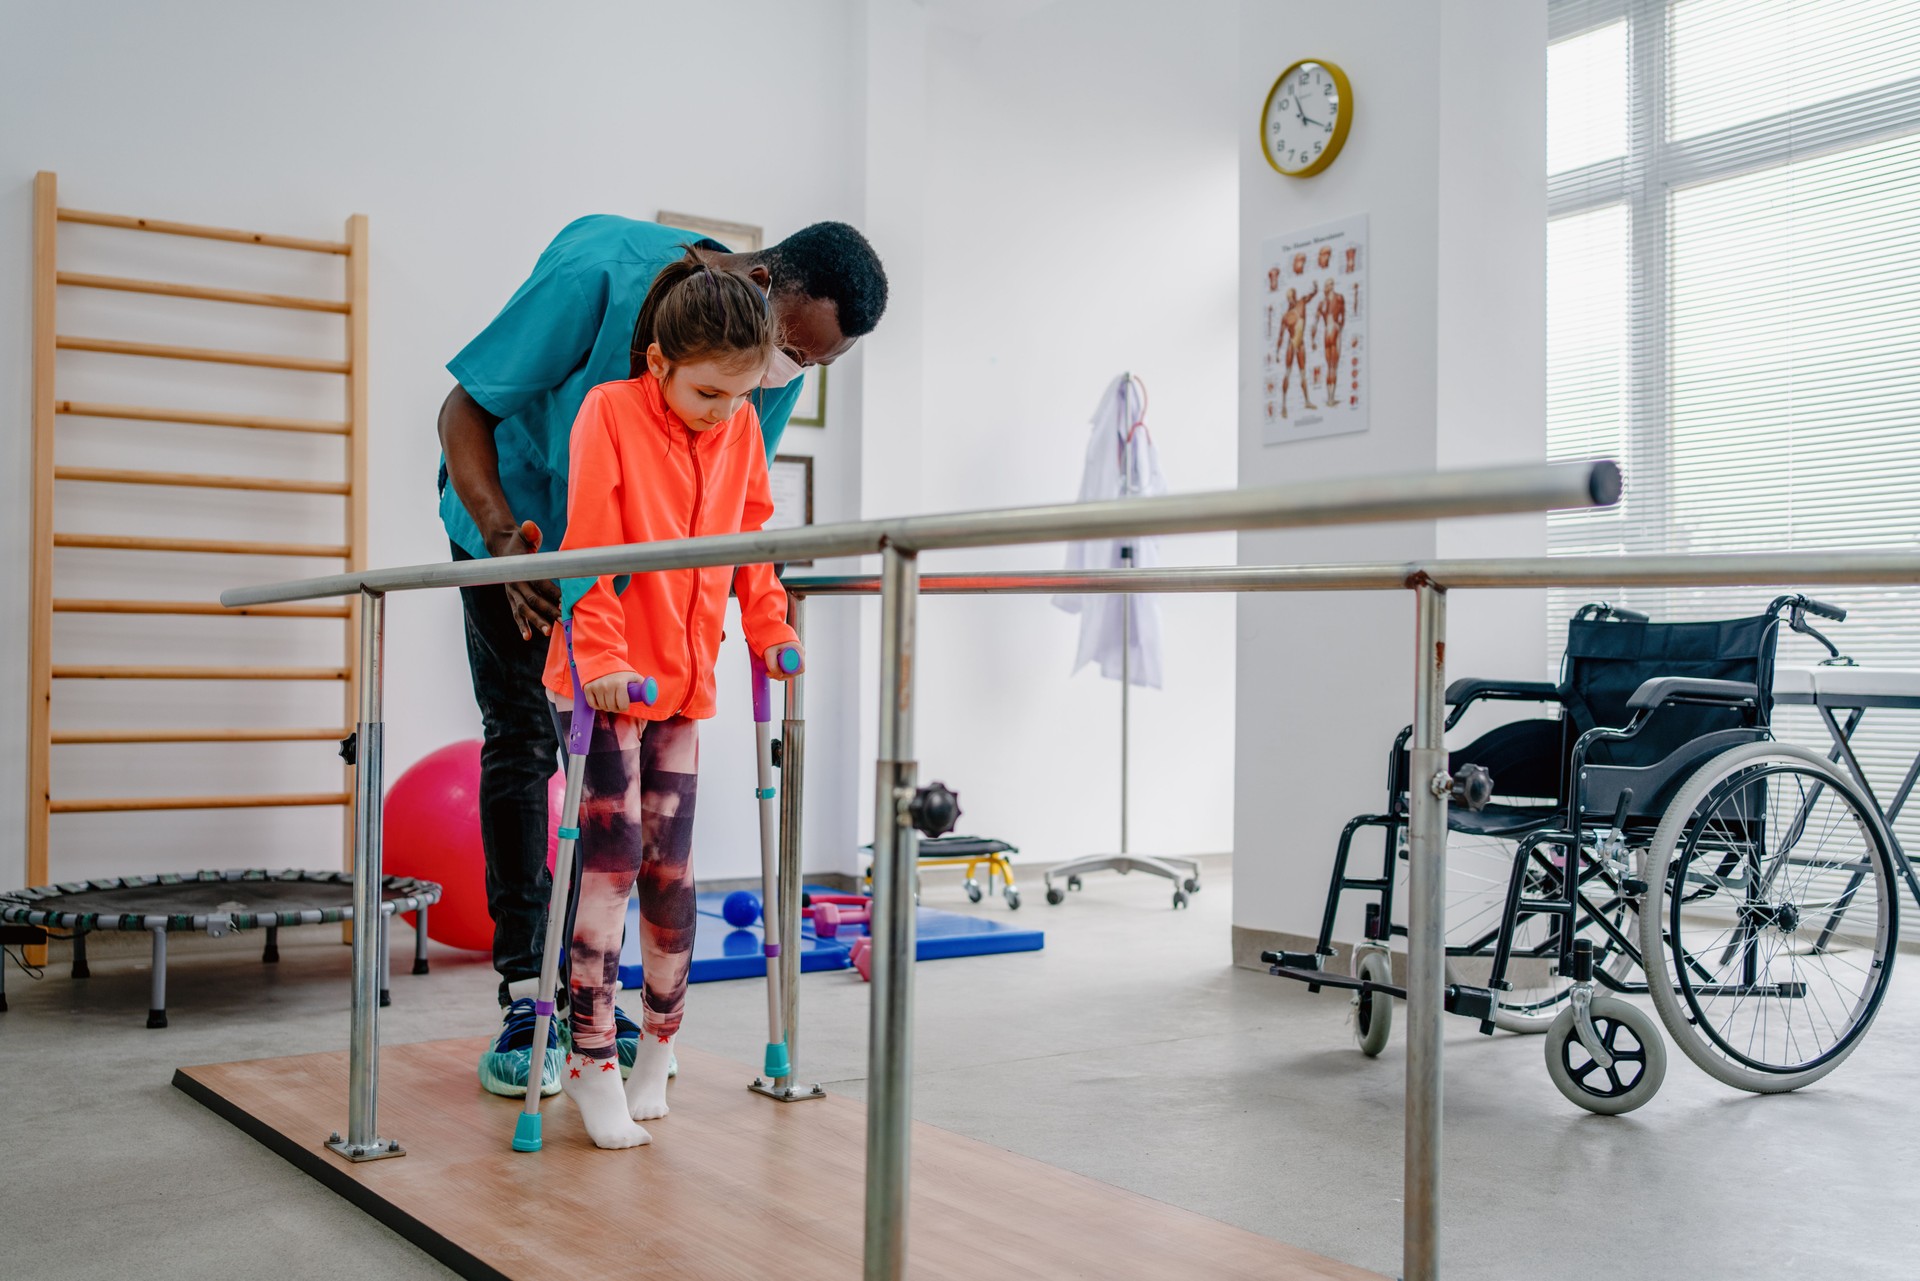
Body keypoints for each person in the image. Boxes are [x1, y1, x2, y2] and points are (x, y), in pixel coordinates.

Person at [439, 217, 886, 1097]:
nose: (778, 375)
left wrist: (757, 620)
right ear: (759, 283)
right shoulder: (598, 272)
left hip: (633, 578)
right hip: (517, 519)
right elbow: (466, 407)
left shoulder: (761, 366)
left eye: (804, 366)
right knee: (528, 736)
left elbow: (739, 509)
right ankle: (530, 995)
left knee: (629, 806)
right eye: (790, 350)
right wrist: (506, 547)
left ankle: (594, 993)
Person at [545, 256, 802, 1148]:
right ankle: (588, 1058)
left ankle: (660, 1044)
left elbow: (753, 541)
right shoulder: (608, 413)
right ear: (658, 362)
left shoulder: (740, 431)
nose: (723, 412)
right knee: (609, 870)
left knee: (672, 876)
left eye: (739, 396)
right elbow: (590, 546)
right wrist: (604, 660)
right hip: (611, 681)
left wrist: (770, 629)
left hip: (686, 683)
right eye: (706, 393)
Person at [1312, 277, 1345, 409]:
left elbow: (1314, 324)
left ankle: (1329, 398)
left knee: (1329, 366)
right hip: (1335, 329)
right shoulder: (1339, 298)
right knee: (1334, 366)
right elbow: (1343, 317)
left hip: (1326, 332)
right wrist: (1339, 328)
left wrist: (1313, 340)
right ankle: (1331, 398)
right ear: (1332, 286)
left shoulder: (1321, 303)